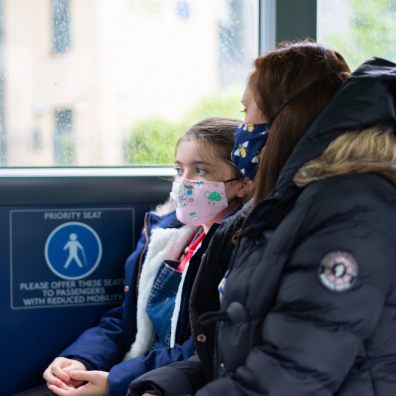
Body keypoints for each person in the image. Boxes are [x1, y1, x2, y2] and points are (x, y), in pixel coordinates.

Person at [129, 42, 396, 395]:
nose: (242, 132)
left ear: (285, 116)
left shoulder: (350, 211)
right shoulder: (280, 204)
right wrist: (160, 386)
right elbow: (235, 345)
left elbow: (293, 372)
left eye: (246, 112)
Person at [17, 117, 253, 396]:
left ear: (243, 183)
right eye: (179, 170)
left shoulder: (238, 249)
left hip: (165, 381)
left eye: (200, 171)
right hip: (131, 369)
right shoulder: (167, 237)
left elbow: (204, 350)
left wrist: (114, 381)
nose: (183, 183)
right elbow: (124, 320)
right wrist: (81, 360)